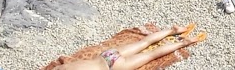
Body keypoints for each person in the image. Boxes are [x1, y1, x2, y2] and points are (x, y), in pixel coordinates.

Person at [53, 25, 206, 70]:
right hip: (106, 55)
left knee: (151, 55)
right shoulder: (60, 69)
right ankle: (173, 30)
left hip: (113, 66)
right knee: (144, 42)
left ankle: (183, 43)